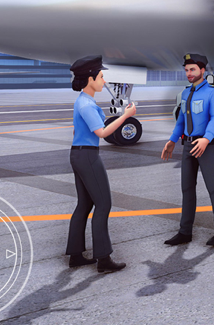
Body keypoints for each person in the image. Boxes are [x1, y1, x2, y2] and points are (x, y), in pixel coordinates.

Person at [66, 55, 132, 273]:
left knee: (84, 205)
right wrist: (125, 116)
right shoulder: (86, 104)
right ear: (90, 78)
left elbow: (79, 130)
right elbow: (102, 132)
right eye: (101, 76)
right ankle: (103, 259)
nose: (104, 81)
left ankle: (75, 255)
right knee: (103, 204)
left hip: (78, 154)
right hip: (88, 157)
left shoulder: (83, 102)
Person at [161, 53, 214, 247]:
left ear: (202, 70)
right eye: (186, 70)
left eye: (192, 69)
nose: (189, 73)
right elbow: (181, 121)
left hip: (204, 146)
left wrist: (206, 139)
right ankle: (185, 232)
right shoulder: (185, 93)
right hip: (188, 145)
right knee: (187, 189)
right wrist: (172, 140)